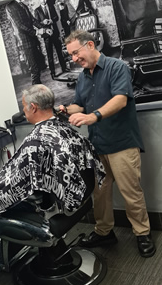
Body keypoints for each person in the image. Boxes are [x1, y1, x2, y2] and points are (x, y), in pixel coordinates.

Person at [60, 30, 156, 258]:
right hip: (98, 145)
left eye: (76, 53)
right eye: (71, 56)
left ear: (90, 45)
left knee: (130, 192)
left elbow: (120, 100)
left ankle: (142, 233)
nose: (74, 59)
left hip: (122, 143)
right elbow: (80, 106)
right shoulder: (83, 76)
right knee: (100, 194)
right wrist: (64, 109)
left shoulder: (116, 67)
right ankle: (104, 232)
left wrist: (93, 116)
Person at [0, 84, 105, 233]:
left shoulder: (37, 142)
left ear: (33, 107)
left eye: (24, 106)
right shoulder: (64, 128)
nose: (23, 110)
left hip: (56, 202)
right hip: (81, 196)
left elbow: (13, 182)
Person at [6, 0, 46, 84]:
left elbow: (32, 20)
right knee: (34, 70)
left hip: (32, 41)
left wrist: (43, 27)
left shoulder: (23, 5)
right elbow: (20, 26)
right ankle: (36, 95)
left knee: (38, 68)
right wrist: (37, 32)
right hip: (25, 43)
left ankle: (39, 92)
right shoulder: (10, 6)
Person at [34, 0, 67, 78]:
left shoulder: (51, 7)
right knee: (50, 54)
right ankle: (52, 73)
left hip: (54, 33)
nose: (43, 1)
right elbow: (36, 23)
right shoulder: (37, 10)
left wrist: (51, 20)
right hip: (46, 35)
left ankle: (64, 68)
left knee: (59, 51)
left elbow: (56, 17)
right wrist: (42, 22)